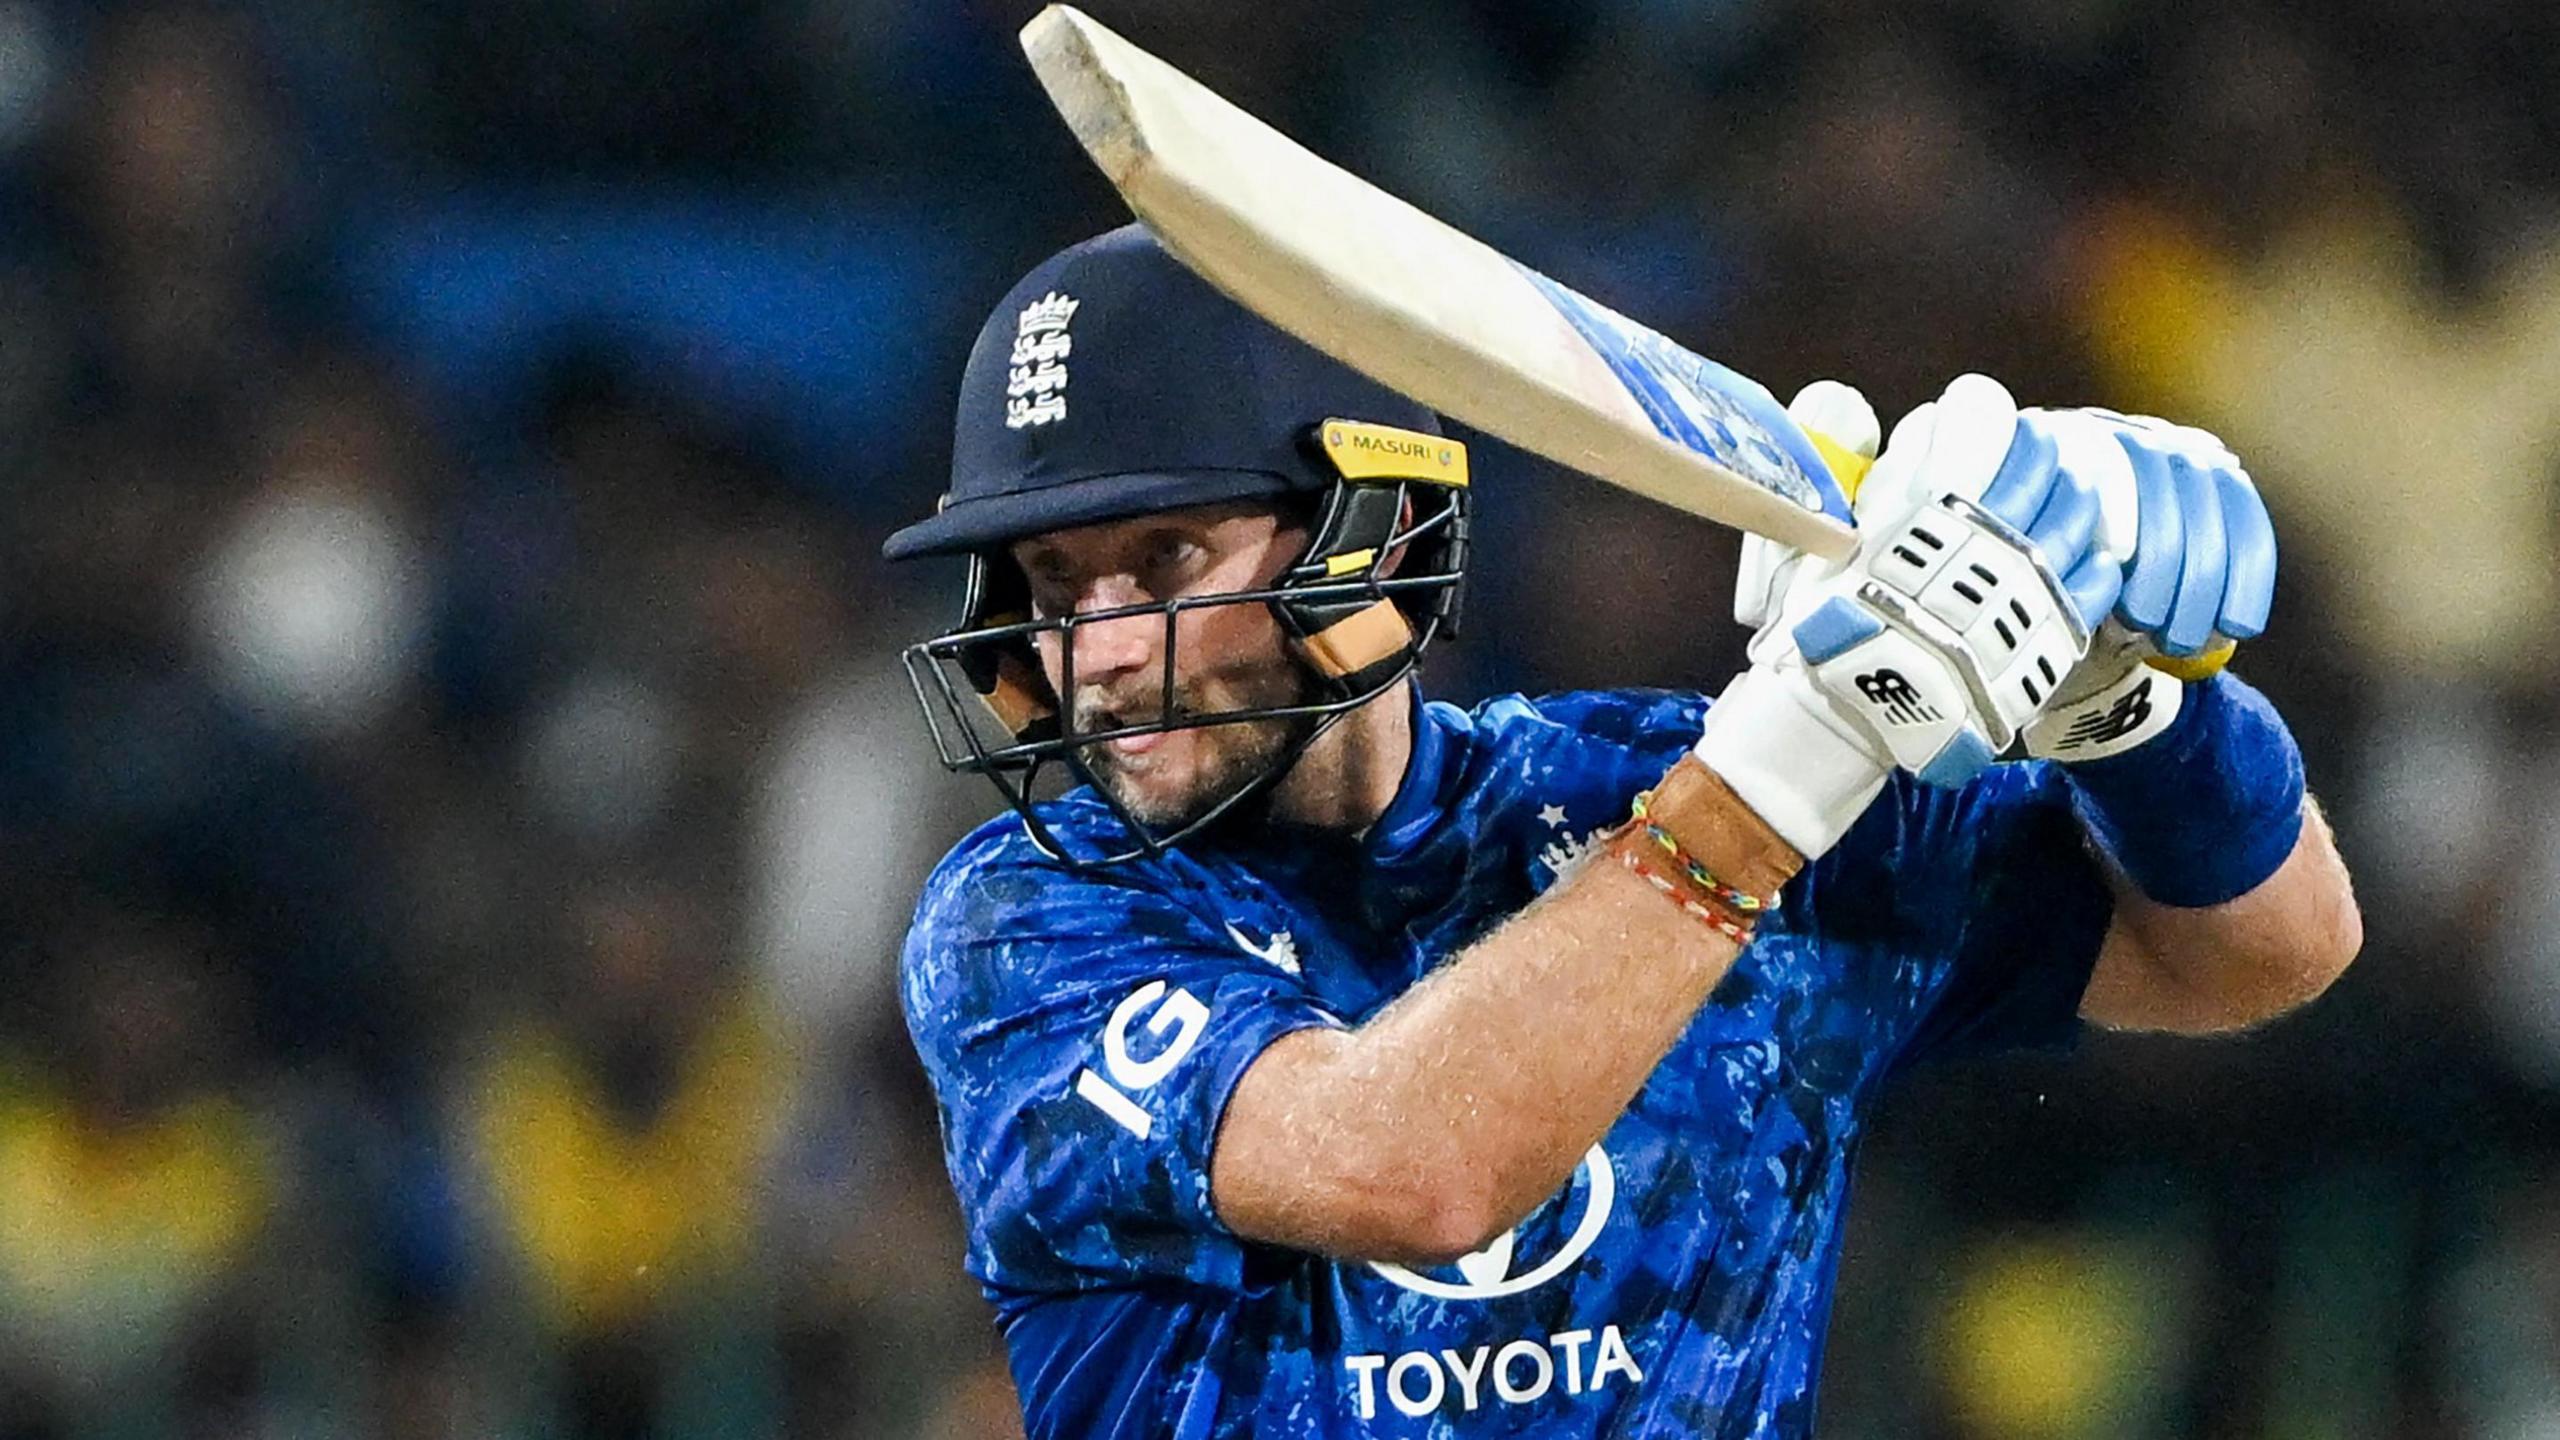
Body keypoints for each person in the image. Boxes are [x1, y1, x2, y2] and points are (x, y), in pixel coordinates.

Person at [882, 224, 2360, 1438]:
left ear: (1366, 531)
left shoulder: (1640, 780)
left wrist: (2133, 710)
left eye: (1164, 560)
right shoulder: (1029, 924)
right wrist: (1796, 761)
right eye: (1057, 583)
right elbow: (1420, 1171)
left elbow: (2261, 952)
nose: (1103, 652)